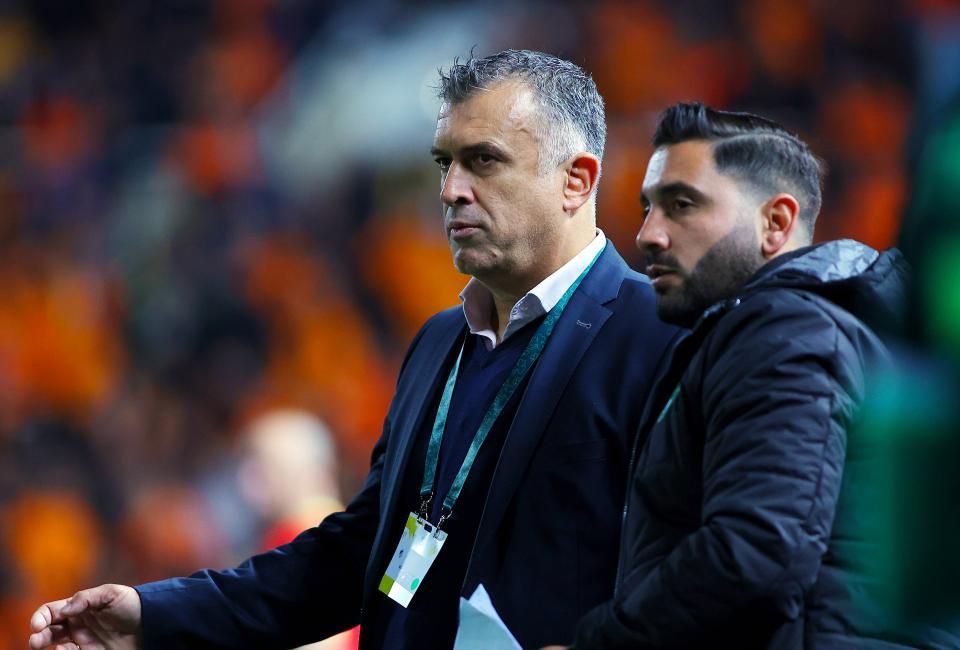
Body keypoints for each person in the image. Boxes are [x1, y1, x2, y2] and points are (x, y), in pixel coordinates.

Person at [29, 50, 681, 650]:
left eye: (483, 161)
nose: (451, 189)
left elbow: (704, 575)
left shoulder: (662, 339)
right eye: (445, 163)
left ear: (576, 180)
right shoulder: (436, 344)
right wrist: (156, 614)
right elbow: (358, 555)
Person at [552, 102, 958, 649]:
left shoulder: (783, 328)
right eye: (647, 208)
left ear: (776, 223)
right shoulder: (815, 326)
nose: (648, 234)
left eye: (681, 205)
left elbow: (757, 552)